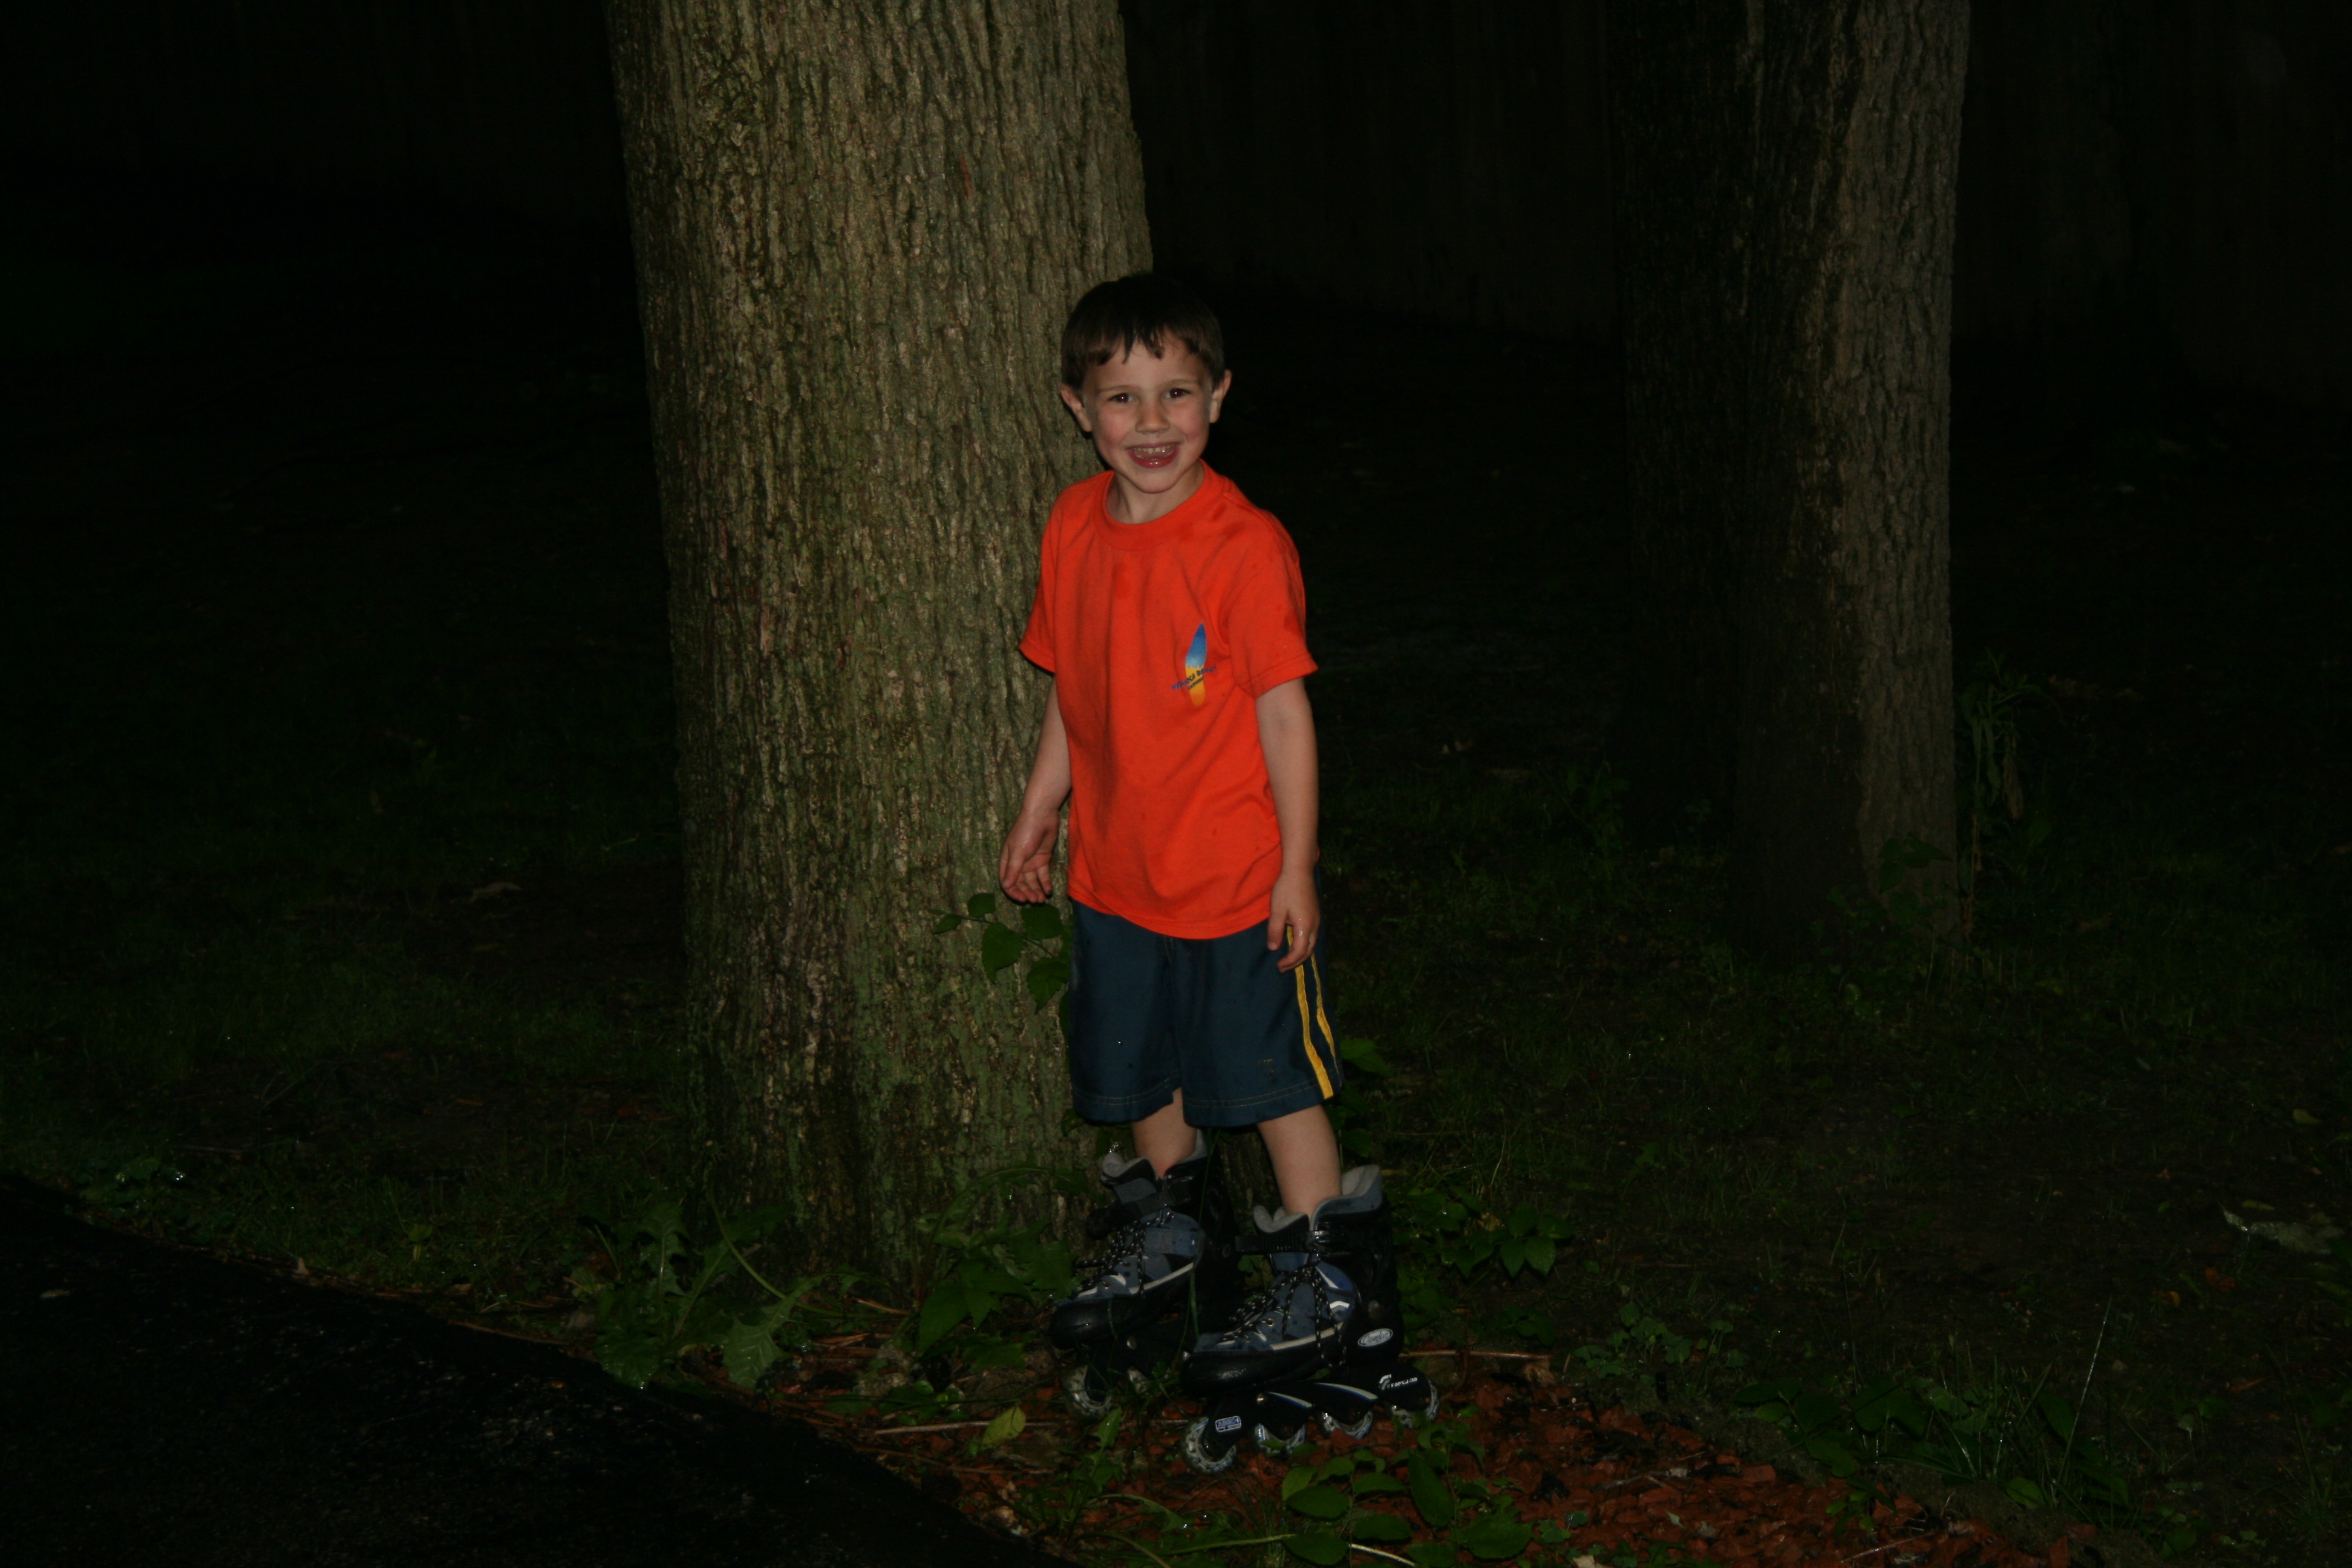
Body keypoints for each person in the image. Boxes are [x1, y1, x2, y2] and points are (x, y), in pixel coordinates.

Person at [999, 278, 1423, 1455]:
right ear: (1077, 407)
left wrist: (1297, 867)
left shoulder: (1243, 546)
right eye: (1122, 398)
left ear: (1220, 398)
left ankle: (1326, 1276)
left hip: (1239, 885)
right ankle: (1173, 1237)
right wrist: (1040, 809)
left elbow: (1285, 715)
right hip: (1117, 878)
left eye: (1176, 394)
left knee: (1271, 1078)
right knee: (1139, 1068)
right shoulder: (1072, 528)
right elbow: (1070, 689)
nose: (1151, 423)